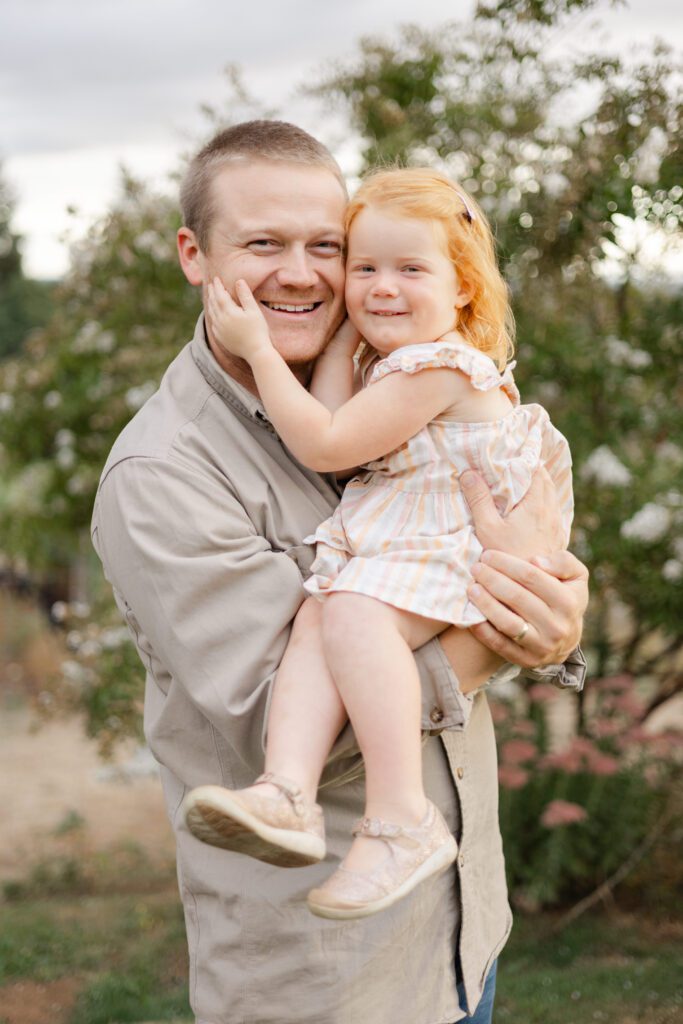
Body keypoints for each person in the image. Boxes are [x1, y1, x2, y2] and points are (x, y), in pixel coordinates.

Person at [91, 120, 588, 1024]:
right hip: (328, 979)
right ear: (193, 255)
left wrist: (550, 618)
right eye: (263, 245)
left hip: (460, 936)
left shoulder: (391, 393)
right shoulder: (164, 475)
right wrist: (495, 645)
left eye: (328, 246)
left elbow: (515, 572)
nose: (303, 274)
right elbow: (274, 720)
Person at [181, 167, 574, 923]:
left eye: (409, 269)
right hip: (412, 542)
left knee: (354, 614)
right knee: (319, 613)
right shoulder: (388, 363)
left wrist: (263, 352)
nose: (381, 287)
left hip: (459, 543)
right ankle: (286, 791)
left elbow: (325, 443)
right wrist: (340, 334)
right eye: (363, 268)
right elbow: (329, 419)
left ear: (462, 288)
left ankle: (401, 818)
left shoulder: (441, 366)